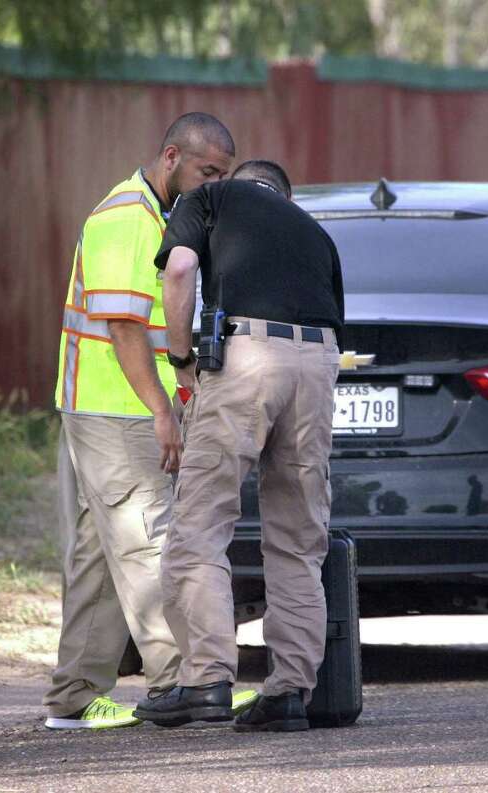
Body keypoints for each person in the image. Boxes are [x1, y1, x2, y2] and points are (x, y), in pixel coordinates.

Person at [44, 112, 256, 730]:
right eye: (206, 171)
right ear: (171, 157)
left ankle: (74, 699)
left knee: (100, 551)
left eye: (223, 174)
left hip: (119, 405)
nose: (213, 183)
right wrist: (162, 410)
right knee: (148, 543)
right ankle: (184, 683)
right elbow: (123, 328)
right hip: (119, 410)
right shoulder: (125, 219)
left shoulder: (165, 219)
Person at [133, 160, 345, 732]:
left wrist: (183, 363)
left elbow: (178, 272)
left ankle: (206, 680)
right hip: (318, 363)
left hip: (247, 357)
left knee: (201, 525)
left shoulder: (209, 199)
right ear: (285, 194)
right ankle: (290, 693)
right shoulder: (314, 231)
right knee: (299, 538)